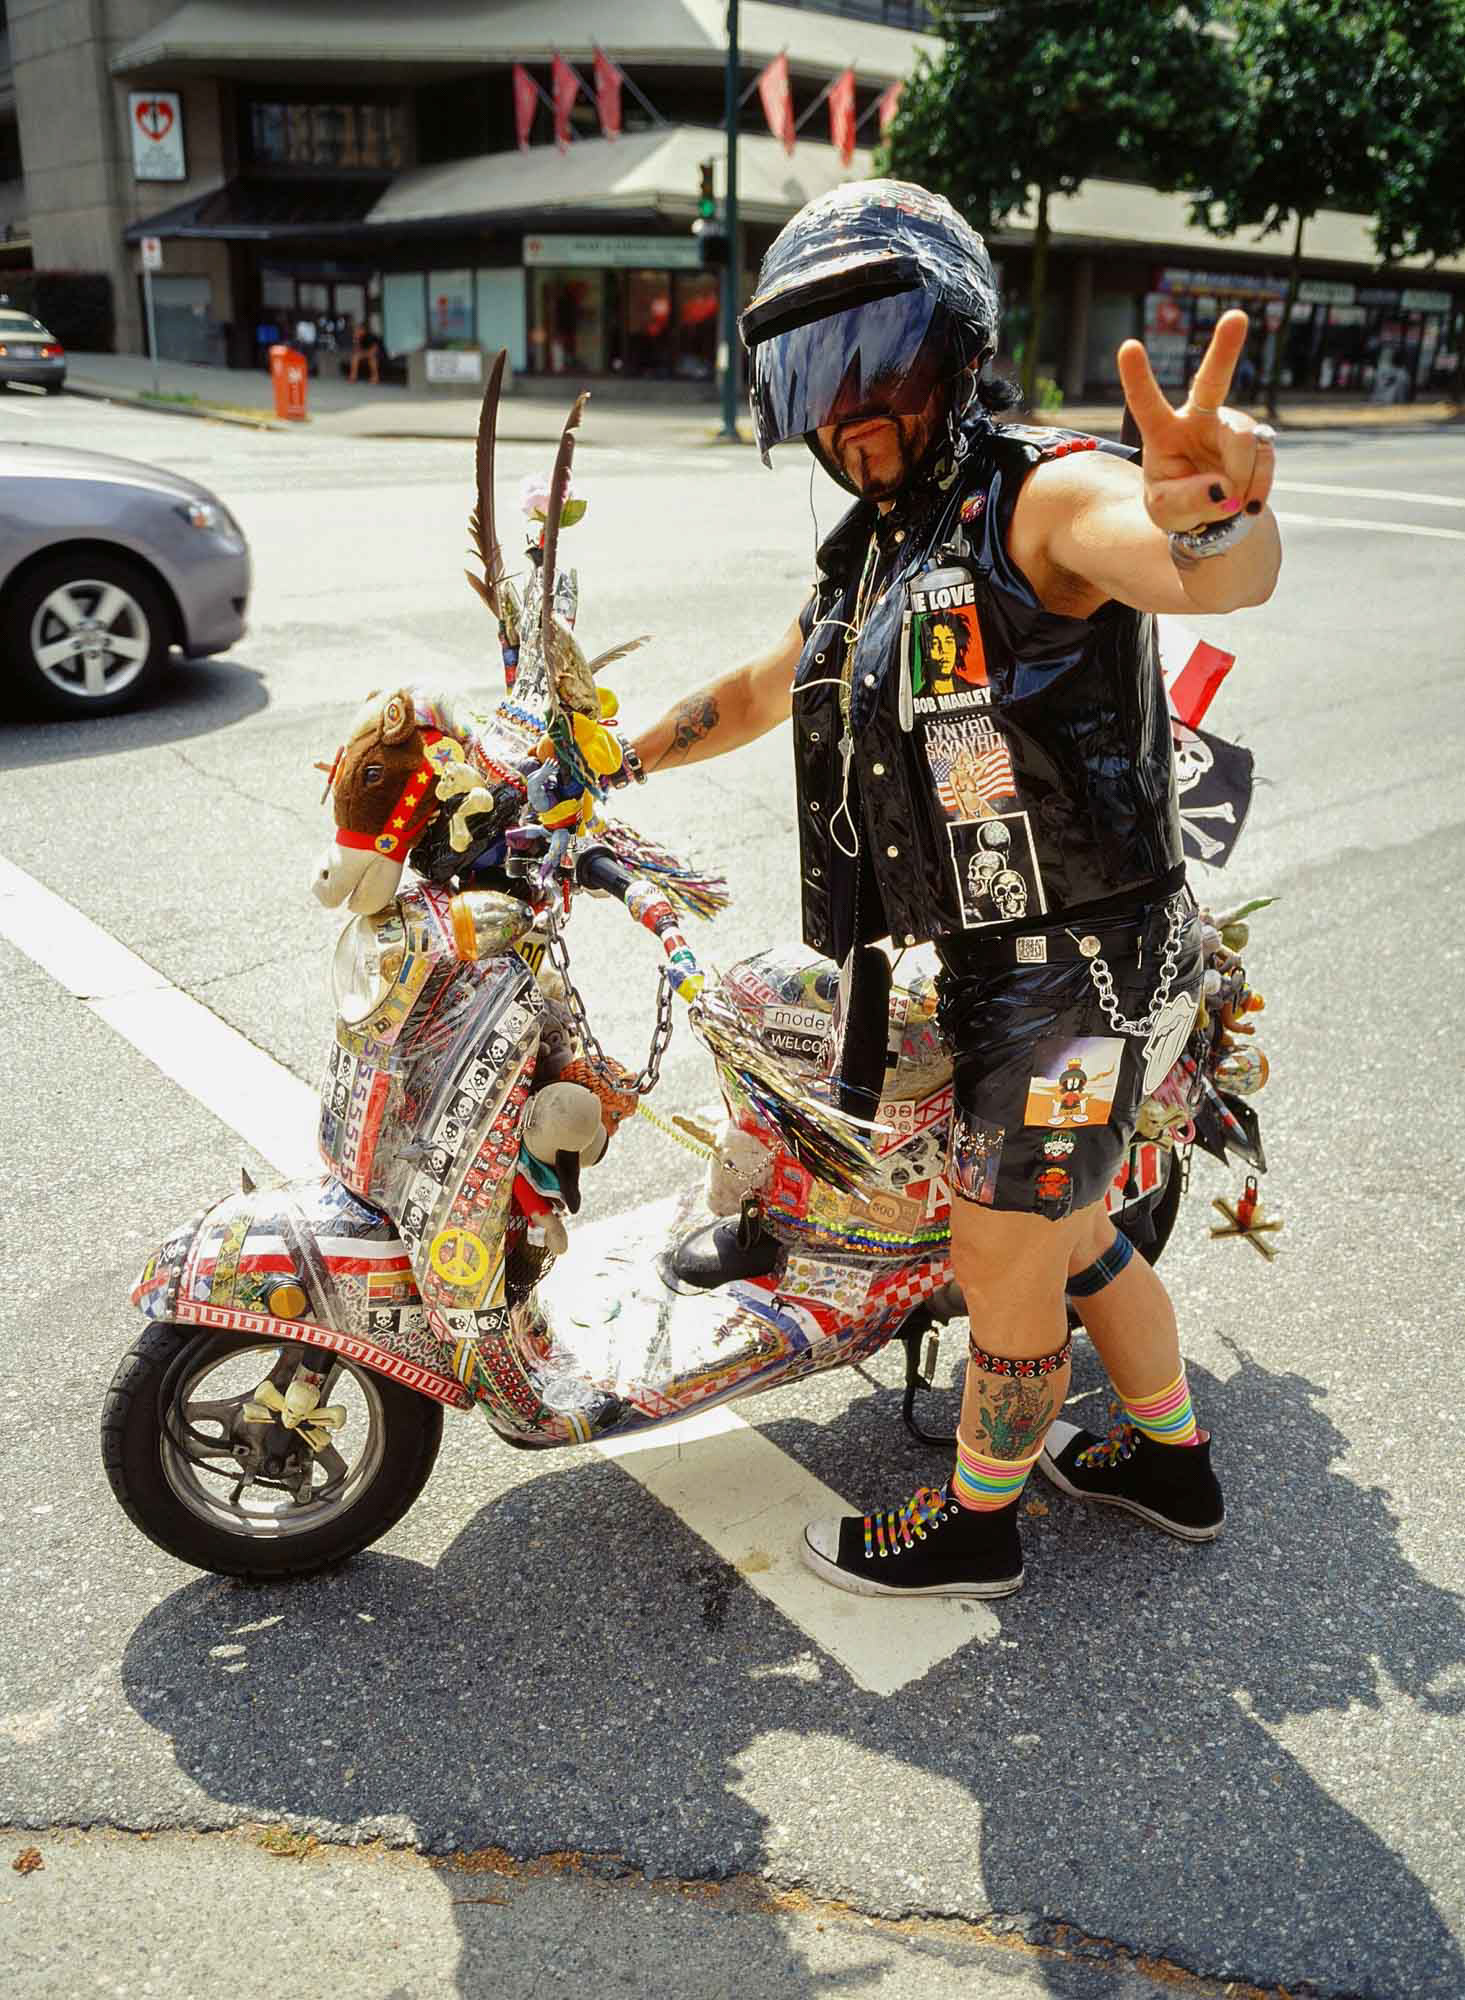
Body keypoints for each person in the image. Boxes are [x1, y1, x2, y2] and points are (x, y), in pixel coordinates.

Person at [629, 181, 1281, 1600]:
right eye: (816, 375)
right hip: (1002, 967)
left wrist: (1216, 515)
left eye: (876, 364)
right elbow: (766, 683)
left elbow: (1191, 565)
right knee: (1072, 1229)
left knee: (1001, 1252)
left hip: (1080, 981)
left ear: (956, 352)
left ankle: (979, 1525)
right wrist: (611, 760)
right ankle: (1170, 1461)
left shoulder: (1037, 496)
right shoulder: (878, 544)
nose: (845, 411)